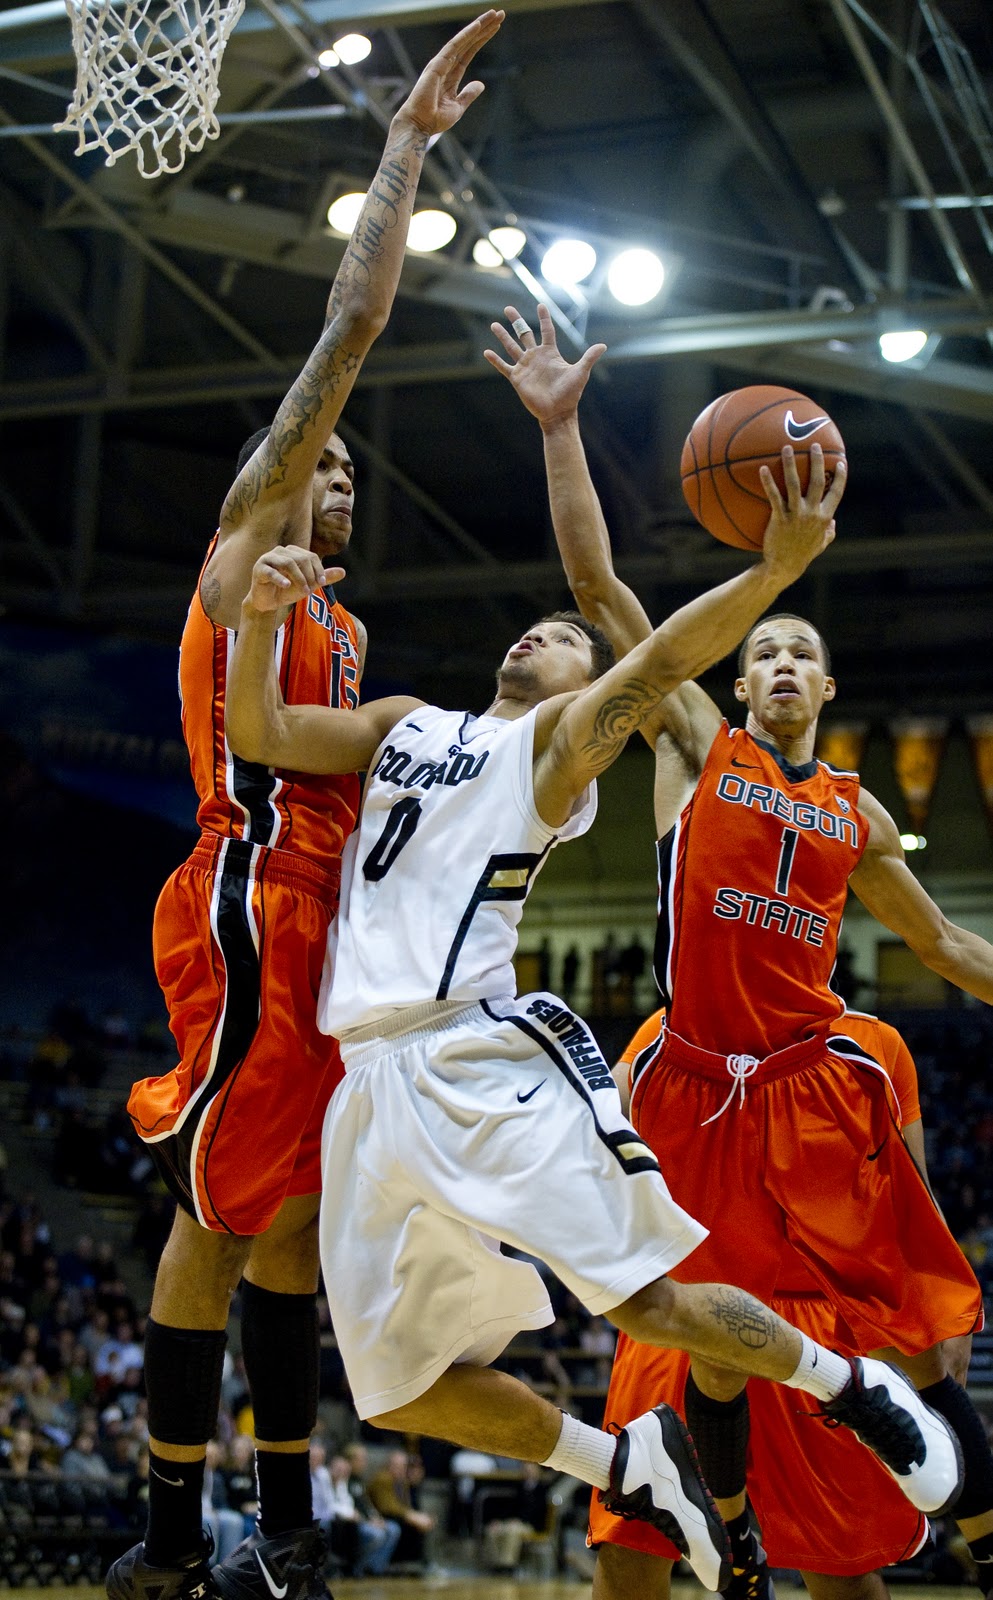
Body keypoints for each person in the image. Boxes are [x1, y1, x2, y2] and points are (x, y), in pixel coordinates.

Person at [224, 438, 963, 1595]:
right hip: (365, 1080)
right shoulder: (408, 723)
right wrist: (264, 613)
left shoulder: (560, 748)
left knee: (648, 1302)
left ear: (595, 698)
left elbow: (647, 635)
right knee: (399, 1387)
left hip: (476, 1046)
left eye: (566, 642)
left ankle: (853, 1387)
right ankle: (625, 1462)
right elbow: (260, 734)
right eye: (538, 631)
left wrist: (769, 576)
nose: (543, 637)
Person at [487, 301, 993, 1600]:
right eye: (762, 645)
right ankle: (733, 1532)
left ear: (826, 692)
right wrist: (561, 431)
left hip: (809, 1089)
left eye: (798, 652)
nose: (775, 658)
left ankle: (942, 1492)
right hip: (693, 1079)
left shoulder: (858, 815)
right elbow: (602, 590)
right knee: (699, 1350)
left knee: (871, 1321)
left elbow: (938, 941)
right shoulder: (693, 745)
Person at [109, 14, 506, 1600]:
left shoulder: (342, 626)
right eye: (310, 464)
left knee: (290, 1235)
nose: (331, 477)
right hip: (251, 902)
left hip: (338, 933)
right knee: (220, 1212)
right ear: (275, 481)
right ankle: (159, 1543)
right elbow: (341, 345)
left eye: (346, 473)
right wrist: (403, 157)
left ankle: (278, 1538)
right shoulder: (242, 563)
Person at [594, 1006, 973, 1598]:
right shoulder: (666, 1028)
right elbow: (602, 1139)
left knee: (841, 1568)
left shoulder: (874, 1043)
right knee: (631, 1547)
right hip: (689, 1305)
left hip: (815, 1316)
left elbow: (911, 1195)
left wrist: (945, 1312)